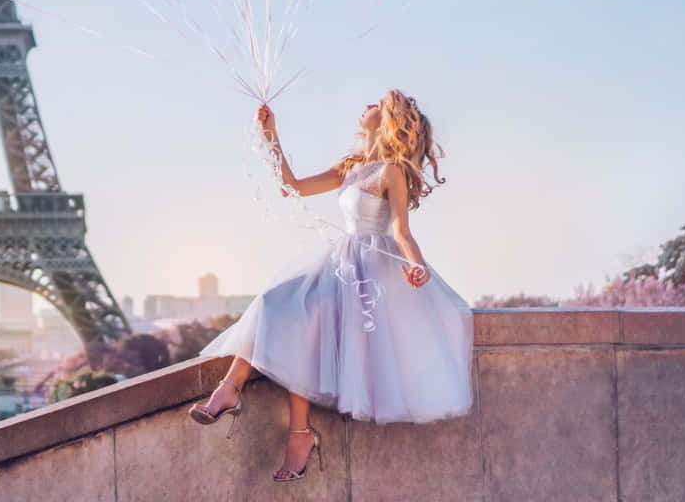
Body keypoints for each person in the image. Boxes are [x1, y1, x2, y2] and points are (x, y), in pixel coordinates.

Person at [190, 89, 473, 484]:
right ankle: (235, 391)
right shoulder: (352, 166)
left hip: (370, 271)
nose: (366, 104)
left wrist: (416, 267)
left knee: (305, 324)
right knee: (276, 304)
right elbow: (292, 186)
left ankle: (293, 433)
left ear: (390, 118)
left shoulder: (390, 171)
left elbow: (402, 232)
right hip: (340, 260)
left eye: (377, 103)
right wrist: (271, 136)